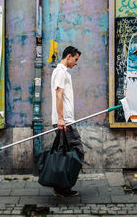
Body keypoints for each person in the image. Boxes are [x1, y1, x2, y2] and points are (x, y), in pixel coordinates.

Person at [51, 46, 84, 197]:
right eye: (75, 59)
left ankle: (61, 186)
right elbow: (59, 94)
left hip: (65, 120)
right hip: (65, 122)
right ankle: (62, 185)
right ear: (69, 56)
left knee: (65, 154)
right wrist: (61, 119)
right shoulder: (60, 72)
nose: (76, 63)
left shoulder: (64, 73)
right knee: (78, 151)